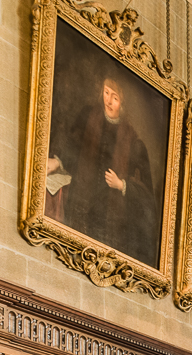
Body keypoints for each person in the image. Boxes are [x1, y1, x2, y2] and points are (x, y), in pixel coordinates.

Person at [45, 74, 156, 261]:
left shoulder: (133, 140)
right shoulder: (89, 116)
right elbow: (73, 144)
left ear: (122, 103)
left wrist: (122, 185)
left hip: (109, 212)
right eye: (106, 92)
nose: (109, 100)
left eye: (115, 97)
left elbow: (147, 197)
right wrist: (58, 161)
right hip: (81, 197)